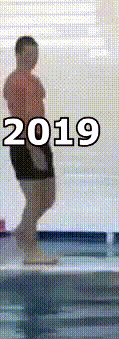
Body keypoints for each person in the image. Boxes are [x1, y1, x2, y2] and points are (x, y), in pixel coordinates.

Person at [3, 36, 58, 265]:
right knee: (34, 199)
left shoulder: (33, 80)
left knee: (48, 197)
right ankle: (31, 251)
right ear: (18, 55)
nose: (33, 59)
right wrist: (32, 147)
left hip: (39, 139)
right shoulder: (15, 81)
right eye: (28, 54)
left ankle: (21, 231)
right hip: (24, 142)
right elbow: (20, 118)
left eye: (35, 54)